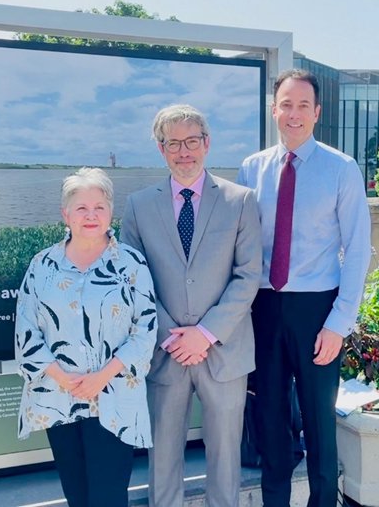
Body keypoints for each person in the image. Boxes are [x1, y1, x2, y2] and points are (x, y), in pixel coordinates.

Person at [237, 69, 371, 507]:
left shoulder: (341, 168)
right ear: (273, 109)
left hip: (318, 311)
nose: (293, 114)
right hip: (264, 308)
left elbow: (358, 249)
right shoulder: (252, 169)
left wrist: (339, 324)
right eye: (285, 104)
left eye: (302, 105)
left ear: (316, 112)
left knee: (318, 423)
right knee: (270, 419)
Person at [121, 105, 261, 507]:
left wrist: (205, 333)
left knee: (224, 462)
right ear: (161, 149)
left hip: (223, 351)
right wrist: (172, 335)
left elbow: (248, 275)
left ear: (207, 143)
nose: (184, 152)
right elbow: (135, 278)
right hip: (165, 354)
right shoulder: (139, 205)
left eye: (192, 141)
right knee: (162, 460)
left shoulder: (240, 200)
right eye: (173, 144)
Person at [15, 168, 157, 507]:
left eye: (99, 207)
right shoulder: (42, 265)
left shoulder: (131, 265)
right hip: (58, 397)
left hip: (114, 397)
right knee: (77, 496)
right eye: (81, 208)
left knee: (108, 498)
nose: (91, 215)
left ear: (111, 212)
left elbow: (146, 330)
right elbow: (25, 331)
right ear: (66, 214)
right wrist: (64, 377)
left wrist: (101, 378)